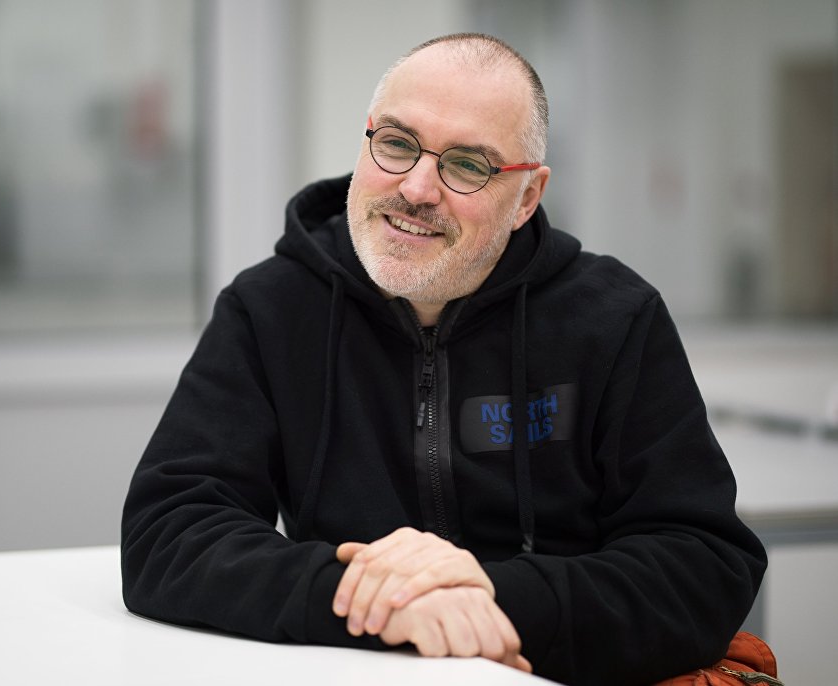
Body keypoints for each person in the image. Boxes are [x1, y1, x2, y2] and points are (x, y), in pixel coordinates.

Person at [121, 33, 766, 685]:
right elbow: (168, 534)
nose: (417, 188)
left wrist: (491, 599)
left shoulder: (614, 319)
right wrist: (381, 606)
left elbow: (703, 567)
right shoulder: (270, 309)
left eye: (467, 165)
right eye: (397, 143)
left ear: (526, 197)